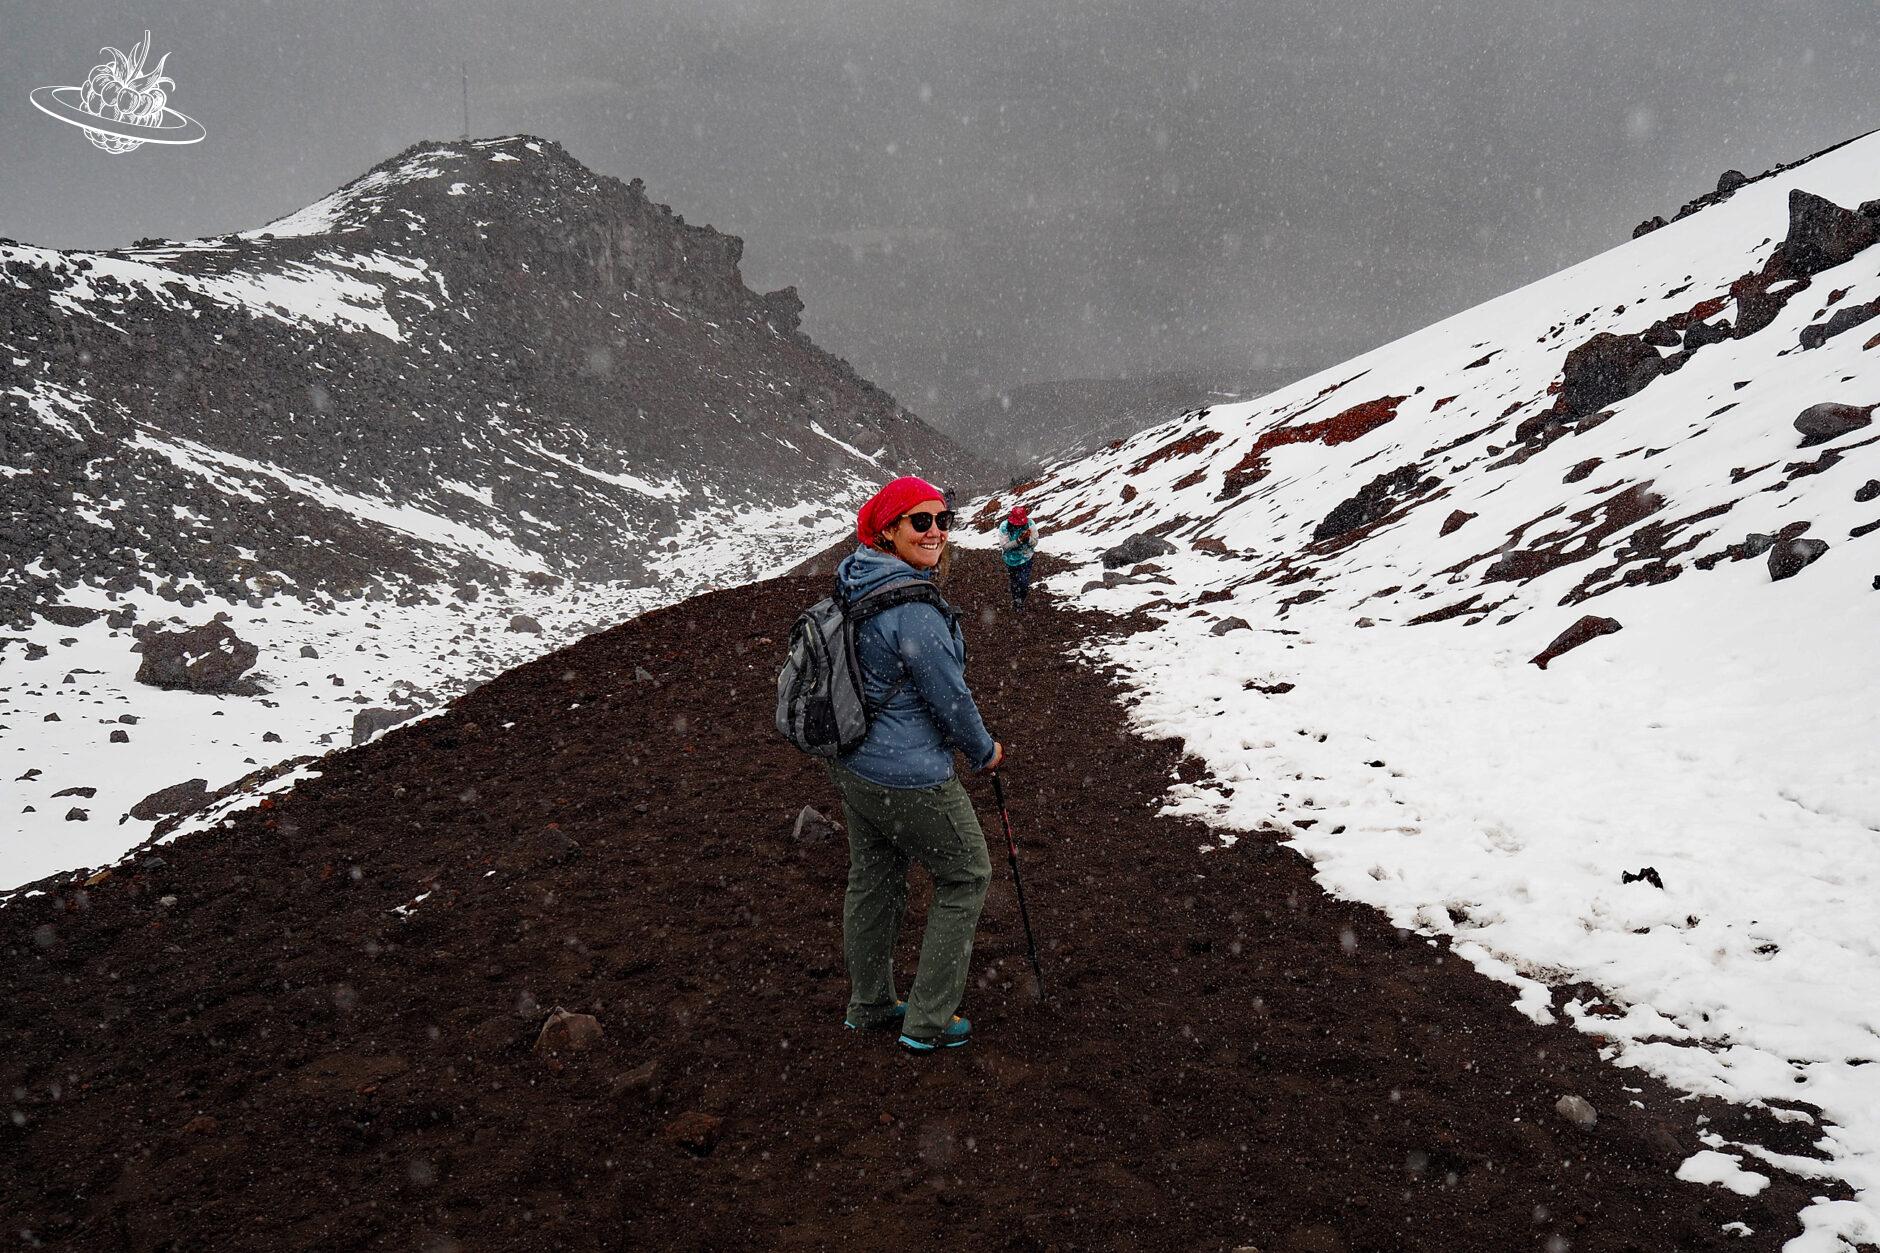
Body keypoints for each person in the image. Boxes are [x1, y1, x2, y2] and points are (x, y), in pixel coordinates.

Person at [831, 475, 1004, 1053]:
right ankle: (929, 1020)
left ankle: (871, 1003)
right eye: (920, 521)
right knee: (966, 874)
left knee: (874, 879)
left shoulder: (856, 579)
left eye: (942, 520)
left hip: (854, 763)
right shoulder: (914, 609)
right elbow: (950, 698)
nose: (935, 532)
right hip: (910, 774)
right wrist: (984, 751)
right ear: (888, 530)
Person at [998, 505, 1038, 612]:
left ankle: (1021, 599)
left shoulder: (1030, 524)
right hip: (1010, 560)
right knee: (1015, 581)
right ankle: (1017, 601)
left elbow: (1035, 542)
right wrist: (1018, 541)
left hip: (1026, 558)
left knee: (1024, 582)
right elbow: (1005, 546)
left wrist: (1028, 539)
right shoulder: (1004, 526)